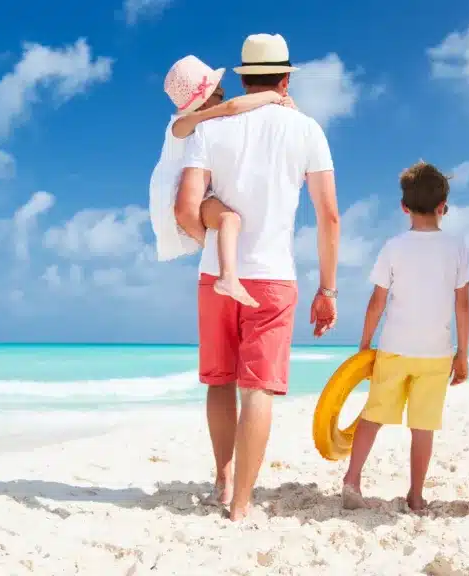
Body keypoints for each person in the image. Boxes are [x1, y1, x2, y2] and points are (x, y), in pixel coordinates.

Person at [175, 33, 340, 522]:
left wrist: (210, 241)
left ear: (243, 78)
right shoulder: (307, 129)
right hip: (272, 278)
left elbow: (187, 206)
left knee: (219, 382)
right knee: (258, 390)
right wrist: (327, 289)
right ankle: (243, 505)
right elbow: (328, 216)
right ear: (286, 79)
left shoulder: (209, 128)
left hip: (215, 275)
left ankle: (222, 481)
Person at [340, 162, 469, 512]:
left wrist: (364, 346)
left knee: (374, 415)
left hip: (395, 349)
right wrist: (463, 354)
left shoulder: (394, 246)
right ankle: (415, 495)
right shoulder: (457, 247)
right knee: (423, 427)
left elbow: (377, 302)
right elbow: (463, 305)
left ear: (404, 207)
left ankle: (352, 480)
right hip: (436, 353)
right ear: (443, 207)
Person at [149, 54, 295, 307]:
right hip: (174, 194)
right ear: (202, 101)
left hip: (193, 189)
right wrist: (273, 97)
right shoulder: (180, 126)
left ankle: (227, 272)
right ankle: (228, 277)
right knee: (230, 219)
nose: (224, 98)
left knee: (227, 222)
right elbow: (231, 108)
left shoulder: (203, 124)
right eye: (219, 93)